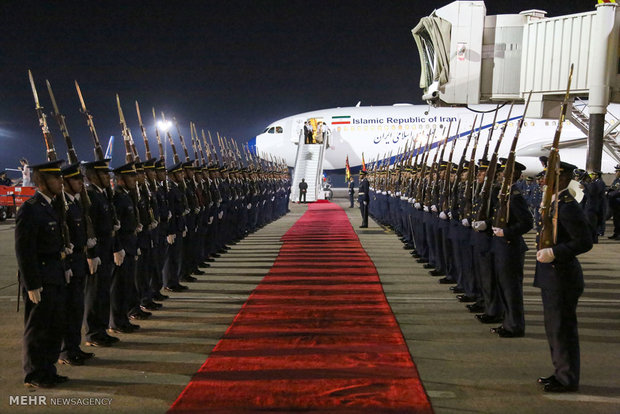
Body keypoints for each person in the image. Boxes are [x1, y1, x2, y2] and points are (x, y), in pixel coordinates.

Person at [534, 161, 593, 393]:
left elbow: (584, 241)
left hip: (562, 276)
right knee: (554, 328)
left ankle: (567, 378)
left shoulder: (567, 205)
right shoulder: (554, 202)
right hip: (552, 276)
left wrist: (555, 252)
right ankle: (561, 372)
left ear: (563, 177)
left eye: (550, 174)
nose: (545, 179)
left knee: (562, 329)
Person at [16, 159, 69, 388]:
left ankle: (48, 368)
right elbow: (24, 250)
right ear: (43, 181)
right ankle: (34, 373)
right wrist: (31, 283)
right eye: (56, 178)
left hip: (55, 274)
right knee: (38, 328)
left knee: (55, 325)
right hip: (40, 276)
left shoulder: (52, 206)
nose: (61, 181)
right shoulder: (30, 209)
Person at [58, 163, 95, 366]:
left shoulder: (76, 203)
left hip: (80, 260)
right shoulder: (63, 206)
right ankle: (66, 351)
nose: (81, 182)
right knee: (68, 309)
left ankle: (74, 347)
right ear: (65, 182)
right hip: (70, 263)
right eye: (75, 179)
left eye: (81, 179)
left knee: (76, 309)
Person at [608, 164, 620, 239]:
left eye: (617, 171)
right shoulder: (616, 180)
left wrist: (611, 194)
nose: (616, 172)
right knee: (616, 219)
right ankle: (616, 233)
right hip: (615, 203)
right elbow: (612, 188)